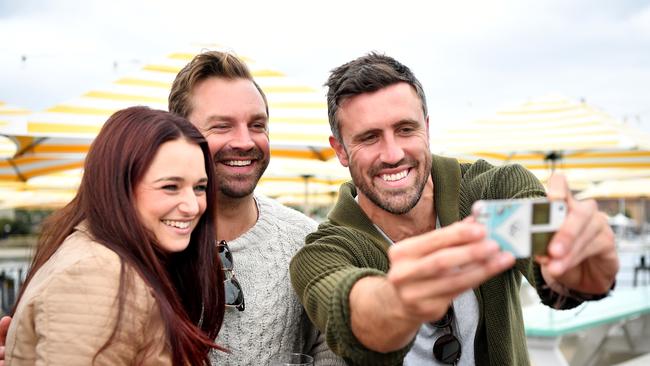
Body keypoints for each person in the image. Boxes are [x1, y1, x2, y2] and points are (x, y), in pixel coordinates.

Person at [290, 53, 619, 366]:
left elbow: (546, 249)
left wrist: (571, 267)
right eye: (369, 137)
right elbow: (352, 313)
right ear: (341, 151)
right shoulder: (323, 251)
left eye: (406, 129)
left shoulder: (493, 190)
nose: (392, 153)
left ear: (427, 129)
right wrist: (397, 302)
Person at [3, 106, 226, 365]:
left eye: (200, 187)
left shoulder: (105, 258)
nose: (192, 205)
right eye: (170, 187)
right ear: (119, 186)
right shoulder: (95, 274)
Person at [168, 51, 343, 365]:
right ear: (179, 134)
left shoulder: (305, 238)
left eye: (257, 125)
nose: (245, 141)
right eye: (222, 126)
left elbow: (329, 343)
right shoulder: (145, 245)